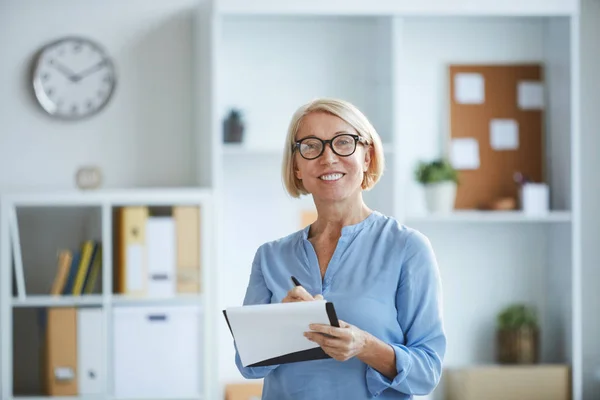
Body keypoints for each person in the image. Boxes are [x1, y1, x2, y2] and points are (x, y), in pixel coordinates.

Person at [233, 98, 446, 399]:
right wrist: (282, 325)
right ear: (296, 166)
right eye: (311, 146)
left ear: (367, 156)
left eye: (343, 142)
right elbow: (246, 365)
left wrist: (365, 346)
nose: (328, 157)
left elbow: (427, 374)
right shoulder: (270, 257)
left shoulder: (408, 248)